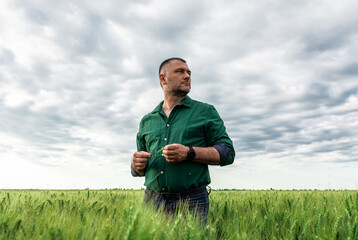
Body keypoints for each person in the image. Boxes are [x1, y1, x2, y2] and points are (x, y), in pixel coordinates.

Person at [131, 57, 235, 224]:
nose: (187, 76)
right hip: (152, 200)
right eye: (180, 71)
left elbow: (227, 153)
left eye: (189, 73)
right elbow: (141, 168)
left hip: (191, 202)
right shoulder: (147, 120)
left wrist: (188, 152)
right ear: (163, 78)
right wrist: (136, 166)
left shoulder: (205, 111)